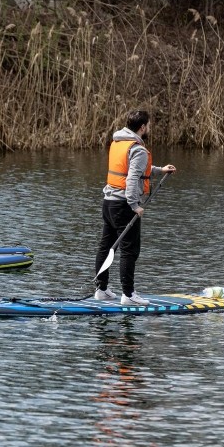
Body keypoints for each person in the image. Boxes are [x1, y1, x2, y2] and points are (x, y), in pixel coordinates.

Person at [94, 110, 176, 305]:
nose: (149, 128)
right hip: (124, 205)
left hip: (109, 203)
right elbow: (132, 179)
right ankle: (129, 295)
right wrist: (134, 205)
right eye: (148, 125)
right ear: (142, 127)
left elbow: (136, 170)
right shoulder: (138, 149)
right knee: (130, 251)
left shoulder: (118, 143)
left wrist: (160, 170)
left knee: (106, 247)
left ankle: (101, 290)